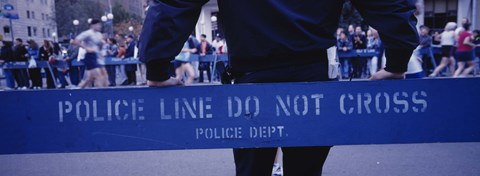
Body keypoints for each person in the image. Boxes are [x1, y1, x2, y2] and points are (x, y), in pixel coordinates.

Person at [140, 1, 418, 175]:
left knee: (252, 171)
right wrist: (397, 61)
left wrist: (156, 66)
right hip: (313, 74)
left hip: (250, 79)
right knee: (306, 170)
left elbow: (172, 5)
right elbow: (388, 4)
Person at [73, 19, 108, 88]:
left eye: (100, 25)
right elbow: (75, 41)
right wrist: (86, 48)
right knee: (99, 76)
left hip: (98, 57)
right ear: (92, 25)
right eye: (98, 25)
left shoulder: (99, 34)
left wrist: (102, 44)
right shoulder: (87, 33)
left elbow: (99, 47)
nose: (99, 26)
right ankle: (100, 94)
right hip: (90, 56)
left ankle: (78, 89)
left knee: (102, 76)